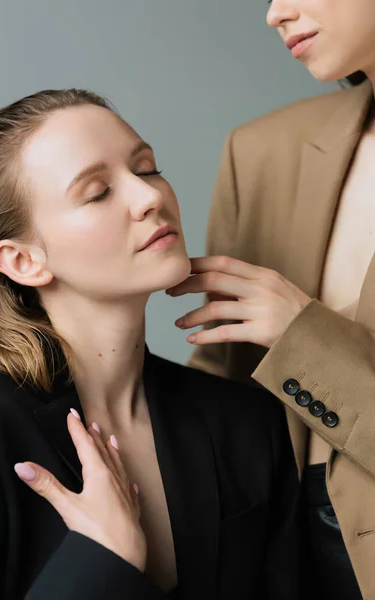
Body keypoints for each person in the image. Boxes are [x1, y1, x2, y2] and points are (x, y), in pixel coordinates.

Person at [0, 88, 300, 600]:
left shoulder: (246, 422)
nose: (151, 197)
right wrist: (101, 556)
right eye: (98, 192)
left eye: (146, 168)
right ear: (22, 261)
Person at [167, 1, 375, 598]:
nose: (275, 13)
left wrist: (301, 334)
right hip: (268, 557)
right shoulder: (260, 151)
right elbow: (222, 374)